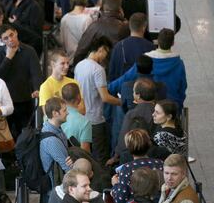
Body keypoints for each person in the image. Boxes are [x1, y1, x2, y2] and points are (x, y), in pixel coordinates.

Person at [108, 28, 187, 110]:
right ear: (173, 43)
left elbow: (125, 78)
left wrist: (108, 88)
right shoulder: (179, 64)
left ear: (157, 41)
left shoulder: (146, 60)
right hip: (171, 107)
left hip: (149, 106)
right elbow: (183, 87)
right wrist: (179, 103)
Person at [74, 36, 120, 166]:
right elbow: (105, 97)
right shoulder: (98, 70)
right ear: (101, 49)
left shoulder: (79, 66)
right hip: (95, 120)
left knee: (84, 156)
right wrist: (121, 101)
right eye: (106, 52)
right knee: (100, 156)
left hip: (81, 118)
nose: (105, 56)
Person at [0, 24, 43, 139]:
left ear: (16, 33)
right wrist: (8, 58)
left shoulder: (29, 51)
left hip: (24, 99)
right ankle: (9, 157)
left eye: (11, 35)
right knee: (7, 134)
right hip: (4, 101)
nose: (10, 39)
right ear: (2, 41)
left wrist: (37, 88)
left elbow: (36, 73)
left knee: (25, 133)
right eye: (6, 38)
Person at [107, 78, 156, 166]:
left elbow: (123, 138)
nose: (132, 93)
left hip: (134, 155)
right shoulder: (158, 111)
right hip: (153, 155)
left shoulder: (132, 114)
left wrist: (115, 157)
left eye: (133, 91)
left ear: (138, 96)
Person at [73, 0, 129, 66]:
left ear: (104, 7)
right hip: (121, 70)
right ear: (120, 9)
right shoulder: (126, 27)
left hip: (100, 67)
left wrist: (76, 68)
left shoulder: (95, 26)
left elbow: (81, 50)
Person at [111, 129, 163, 203]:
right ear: (149, 143)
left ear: (128, 147)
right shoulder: (160, 164)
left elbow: (120, 199)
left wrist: (115, 185)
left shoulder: (127, 168)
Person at [40, 97, 73, 202]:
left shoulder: (56, 129)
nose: (67, 113)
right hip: (55, 194)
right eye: (64, 110)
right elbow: (68, 170)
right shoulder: (51, 140)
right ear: (55, 113)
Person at [108, 13, 155, 82]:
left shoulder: (118, 46)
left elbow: (112, 74)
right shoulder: (151, 47)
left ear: (130, 26)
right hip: (143, 90)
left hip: (121, 90)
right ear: (144, 27)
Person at [60, 0, 93, 64]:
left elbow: (62, 41)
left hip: (68, 59)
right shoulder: (87, 19)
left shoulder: (64, 18)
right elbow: (89, 43)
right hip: (83, 60)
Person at [61, 83, 92, 153]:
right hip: (75, 161)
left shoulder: (51, 117)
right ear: (79, 97)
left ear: (62, 98)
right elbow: (85, 152)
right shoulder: (85, 122)